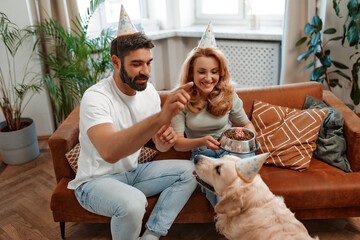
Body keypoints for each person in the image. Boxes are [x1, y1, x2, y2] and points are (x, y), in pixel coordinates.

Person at [67, 5, 197, 240]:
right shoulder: (96, 97)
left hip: (132, 173)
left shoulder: (149, 93)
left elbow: (161, 147)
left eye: (148, 63)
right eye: (137, 64)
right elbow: (109, 151)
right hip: (95, 182)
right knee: (134, 202)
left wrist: (163, 140)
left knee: (190, 172)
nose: (145, 71)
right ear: (115, 62)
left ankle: (152, 235)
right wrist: (160, 117)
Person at [171, 21, 256, 207]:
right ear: (191, 73)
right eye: (201, 72)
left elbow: (246, 125)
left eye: (214, 72)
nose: (208, 78)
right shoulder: (181, 98)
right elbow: (177, 143)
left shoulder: (229, 93)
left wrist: (245, 138)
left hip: (232, 150)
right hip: (203, 154)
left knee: (243, 187)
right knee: (221, 197)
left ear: (221, 73)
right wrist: (201, 141)